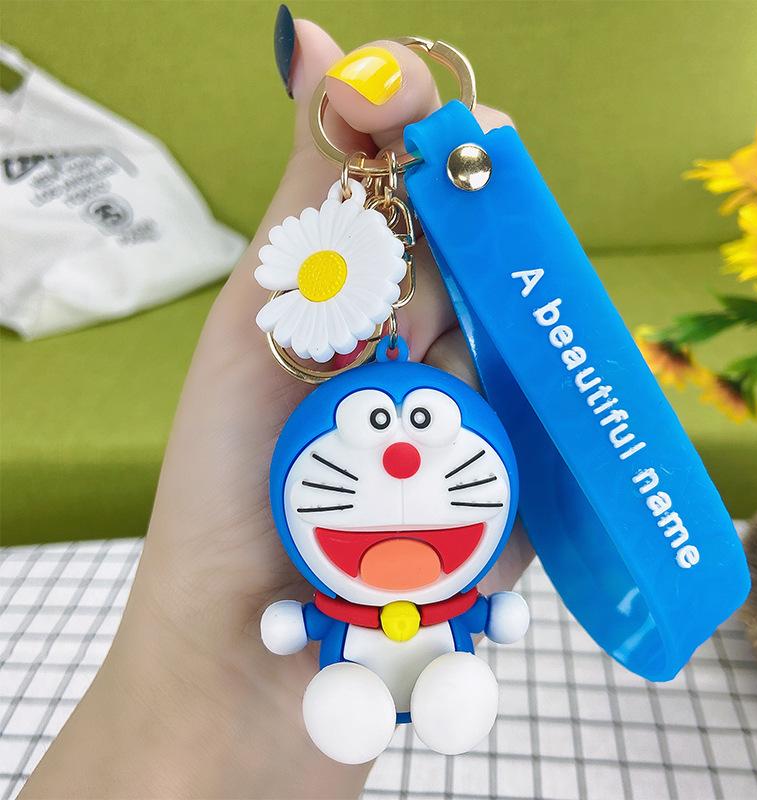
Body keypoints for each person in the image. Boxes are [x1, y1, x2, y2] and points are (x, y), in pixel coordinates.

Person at [20, 9, 534, 799]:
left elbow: (487, 613)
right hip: (337, 677)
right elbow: (297, 619)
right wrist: (210, 650)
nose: (401, 461)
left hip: (411, 662)